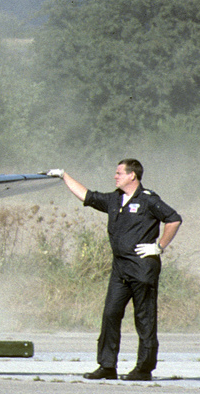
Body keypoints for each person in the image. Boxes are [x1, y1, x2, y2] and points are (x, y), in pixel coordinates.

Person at [48, 161, 182, 381]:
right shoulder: (114, 199)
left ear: (132, 176)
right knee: (110, 314)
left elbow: (174, 219)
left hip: (142, 269)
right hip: (120, 269)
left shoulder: (148, 199)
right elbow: (87, 196)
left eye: (119, 173)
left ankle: (144, 369)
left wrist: (159, 247)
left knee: (144, 319)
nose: (115, 176)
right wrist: (64, 176)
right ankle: (107, 366)